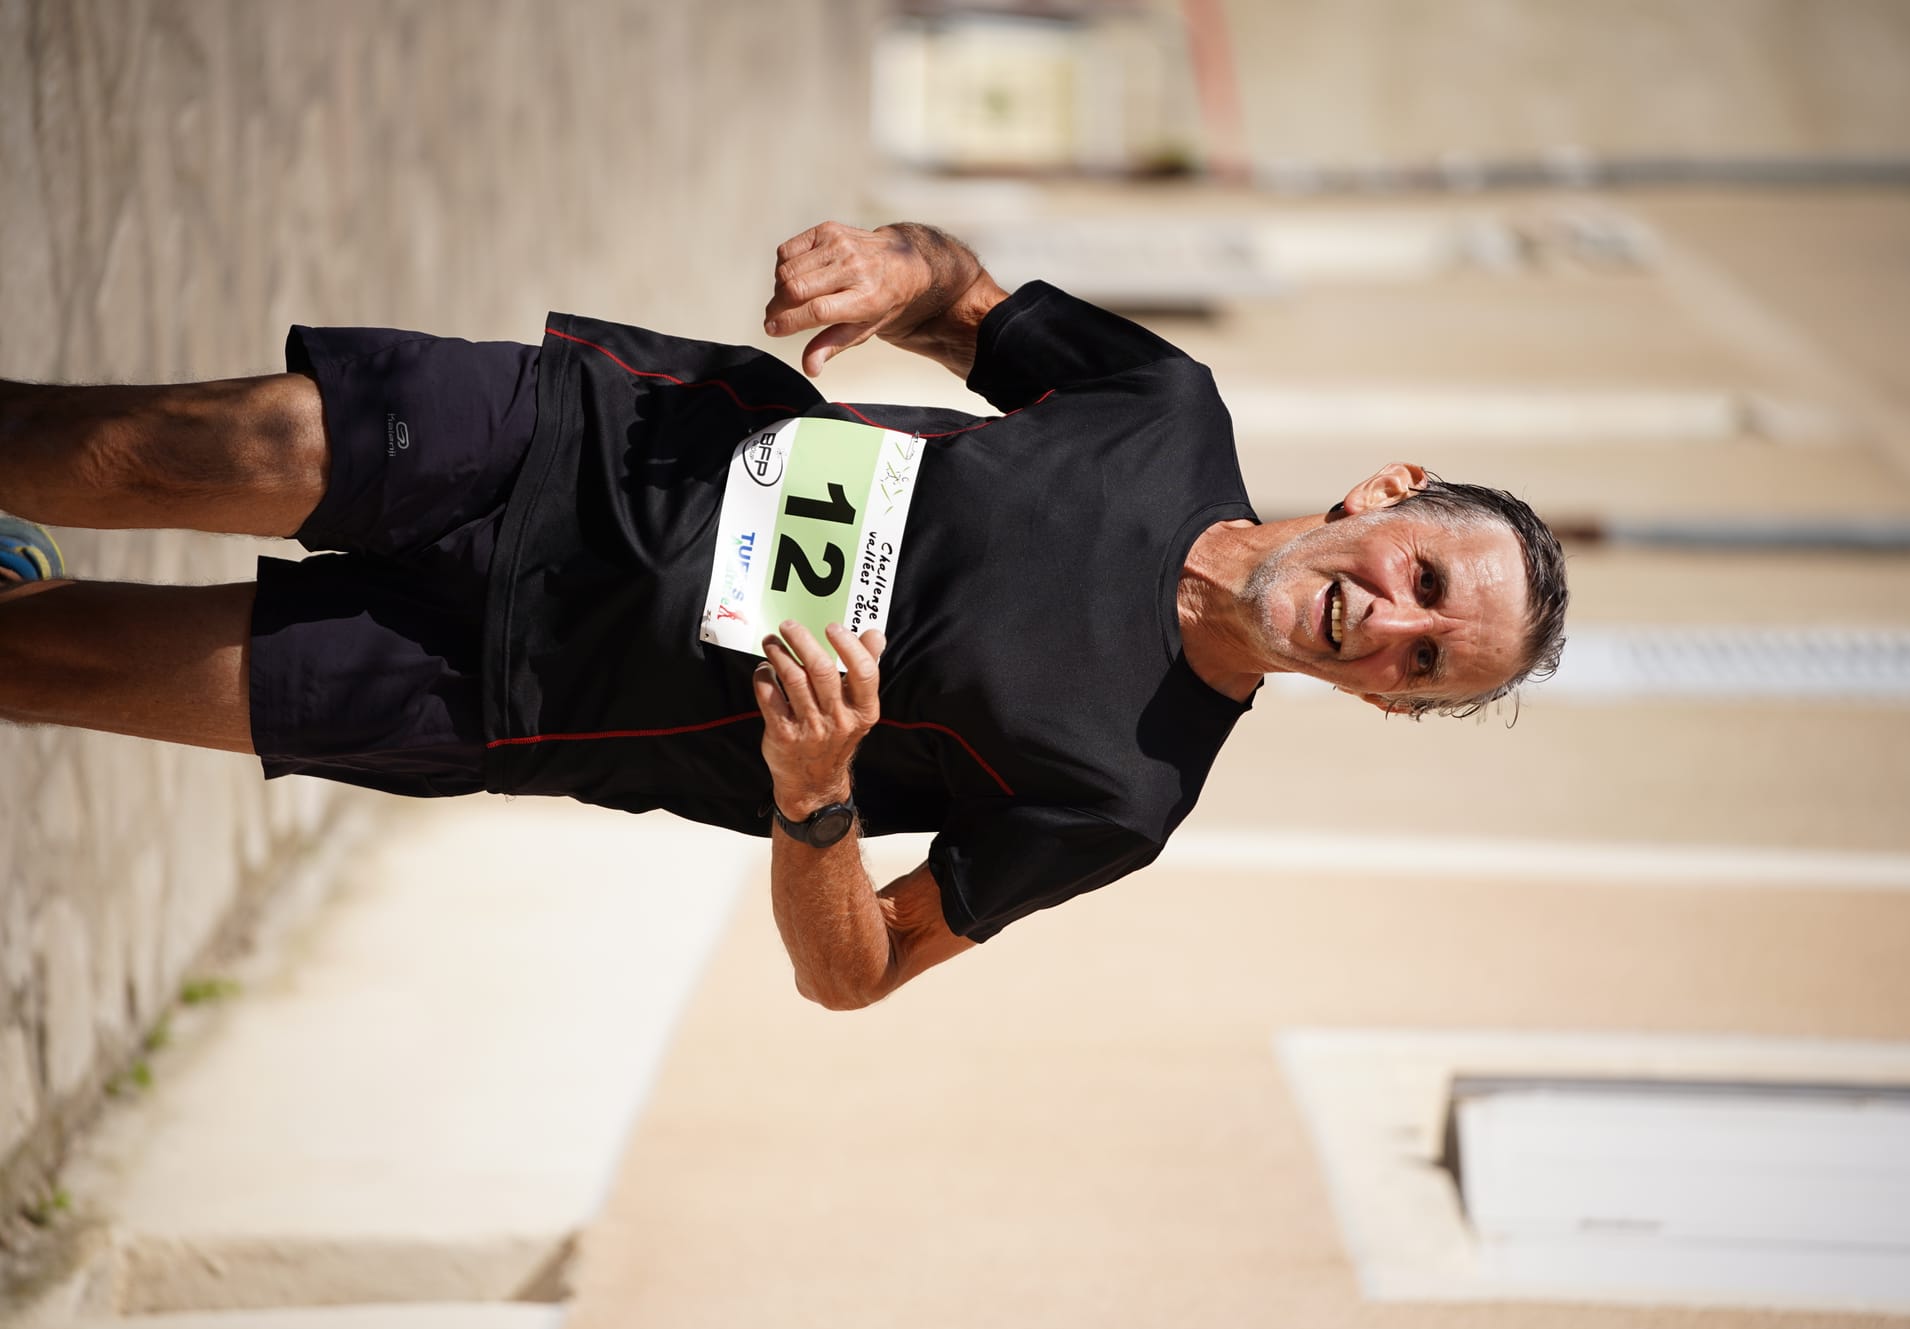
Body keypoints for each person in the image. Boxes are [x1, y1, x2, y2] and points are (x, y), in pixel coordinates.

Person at [0, 220, 1567, 1009]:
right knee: (165, 447)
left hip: (519, 689)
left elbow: (861, 967)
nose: (1390, 622)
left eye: (1427, 666)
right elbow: (959, 297)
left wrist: (815, 796)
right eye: (1426, 579)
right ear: (1387, 495)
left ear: (1386, 707)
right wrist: (892, 260)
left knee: (54, 660)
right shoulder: (1166, 406)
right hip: (597, 444)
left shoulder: (1127, 791)